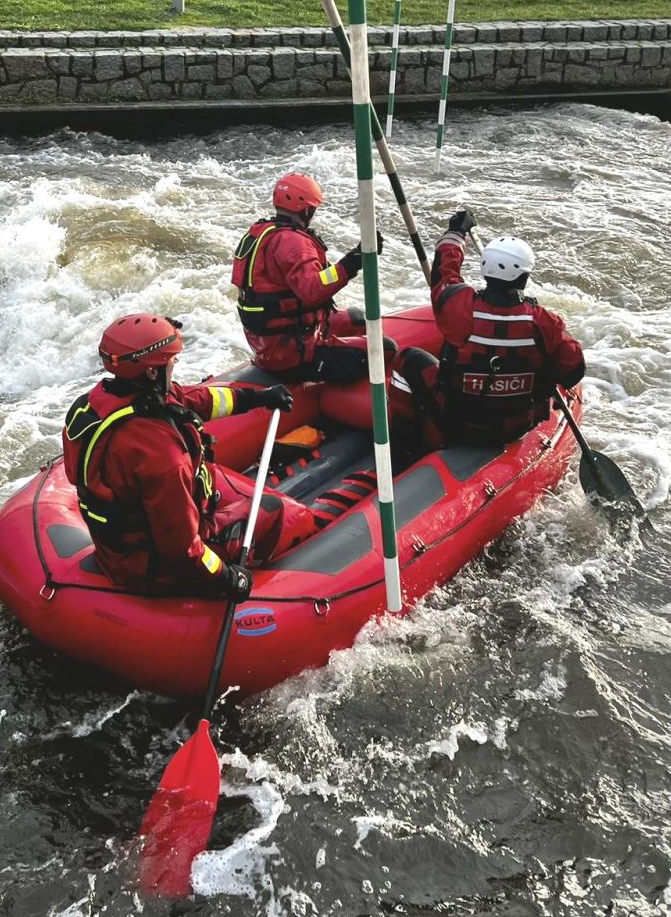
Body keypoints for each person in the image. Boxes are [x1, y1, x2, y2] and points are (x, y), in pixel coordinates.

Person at [62, 313, 316, 598]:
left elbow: (196, 400)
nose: (175, 365)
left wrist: (258, 398)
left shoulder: (99, 402)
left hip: (119, 546)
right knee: (274, 511)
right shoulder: (163, 458)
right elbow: (182, 550)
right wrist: (226, 577)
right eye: (172, 360)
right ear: (151, 372)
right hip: (154, 567)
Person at [394, 211, 585, 447]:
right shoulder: (545, 322)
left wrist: (456, 231)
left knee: (407, 358)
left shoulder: (457, 306)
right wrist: (544, 377)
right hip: (516, 425)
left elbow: (444, 271)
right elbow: (574, 371)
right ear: (524, 278)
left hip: (455, 420)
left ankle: (404, 443)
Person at [230, 172, 391, 383]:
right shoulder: (292, 242)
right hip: (293, 355)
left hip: (274, 342)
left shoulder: (263, 233)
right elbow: (312, 290)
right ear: (306, 210)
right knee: (386, 349)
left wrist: (353, 258)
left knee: (358, 319)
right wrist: (354, 261)